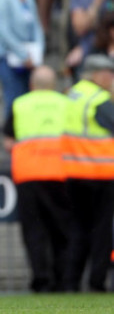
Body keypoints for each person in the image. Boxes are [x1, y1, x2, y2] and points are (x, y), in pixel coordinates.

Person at [3, 66, 71, 293]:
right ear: (54, 85)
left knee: (34, 232)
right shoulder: (66, 103)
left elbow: (8, 141)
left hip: (28, 174)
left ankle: (41, 281)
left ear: (32, 84)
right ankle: (63, 280)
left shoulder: (20, 103)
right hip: (62, 173)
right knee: (62, 231)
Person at [62, 54, 114, 292]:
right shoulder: (99, 98)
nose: (111, 78)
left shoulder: (72, 94)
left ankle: (71, 282)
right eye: (109, 73)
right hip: (101, 174)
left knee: (78, 229)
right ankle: (97, 281)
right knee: (102, 232)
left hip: (73, 173)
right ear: (97, 74)